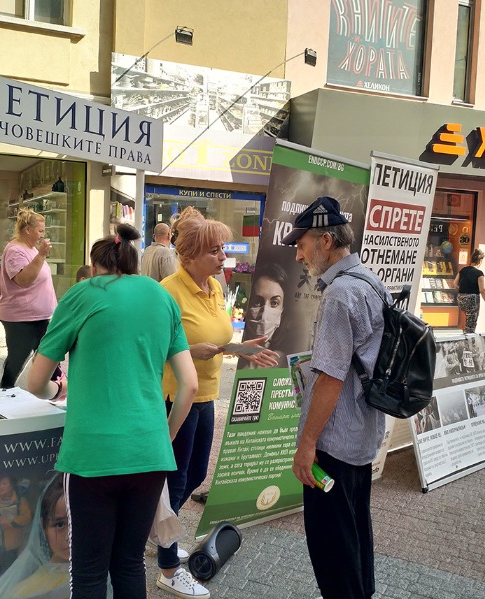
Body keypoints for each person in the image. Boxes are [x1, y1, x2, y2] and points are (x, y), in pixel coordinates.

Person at [26, 223, 198, 599]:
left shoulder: (82, 294)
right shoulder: (161, 296)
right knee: (130, 564)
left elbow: (34, 383)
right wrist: (163, 437)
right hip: (149, 454)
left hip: (93, 456)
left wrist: (59, 388)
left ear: (98, 263)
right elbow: (190, 386)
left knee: (88, 572)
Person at [157, 207, 277, 599]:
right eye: (214, 251)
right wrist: (191, 350)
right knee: (175, 483)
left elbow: (216, 339)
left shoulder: (216, 288)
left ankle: (159, 533)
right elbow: (153, 349)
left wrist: (236, 347)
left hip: (206, 396)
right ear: (188, 255)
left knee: (193, 478)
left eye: (223, 249)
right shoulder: (167, 292)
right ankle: (168, 567)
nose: (223, 257)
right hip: (177, 398)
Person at [284, 196, 388, 599]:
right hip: (359, 437)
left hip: (335, 444)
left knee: (332, 548)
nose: (299, 255)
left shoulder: (341, 294)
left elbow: (330, 378)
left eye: (303, 244)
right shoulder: (368, 280)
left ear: (325, 241)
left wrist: (306, 444)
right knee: (354, 537)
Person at [0, 473, 73, 599]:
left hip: (11, 542)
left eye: (78, 523)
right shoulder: (29, 589)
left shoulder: (19, 501)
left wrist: (12, 522)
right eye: (60, 525)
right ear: (43, 528)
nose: (69, 536)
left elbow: (25, 517)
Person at [0, 209, 58, 388]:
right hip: (22, 318)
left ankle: (55, 391)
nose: (42, 235)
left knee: (48, 355)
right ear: (27, 230)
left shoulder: (30, 249)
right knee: (18, 360)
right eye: (40, 230)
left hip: (38, 316)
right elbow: (23, 280)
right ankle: (4, 392)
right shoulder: (16, 250)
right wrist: (41, 255)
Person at [239, 262, 293, 368]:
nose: (264, 314)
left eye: (274, 303)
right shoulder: (235, 354)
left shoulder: (285, 363)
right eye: (257, 302)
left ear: (282, 311)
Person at [0, 474, 33, 577]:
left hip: (11, 545)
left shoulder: (20, 501)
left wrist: (11, 521)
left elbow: (27, 518)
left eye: (4, 484)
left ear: (12, 486)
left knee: (10, 574)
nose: (1, 487)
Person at [454, 248, 485, 334]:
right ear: (480, 260)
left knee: (467, 321)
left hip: (461, 299)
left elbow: (455, 283)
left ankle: (465, 333)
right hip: (472, 299)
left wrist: (464, 287)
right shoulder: (479, 273)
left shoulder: (463, 270)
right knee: (471, 324)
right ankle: (468, 341)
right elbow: (482, 290)